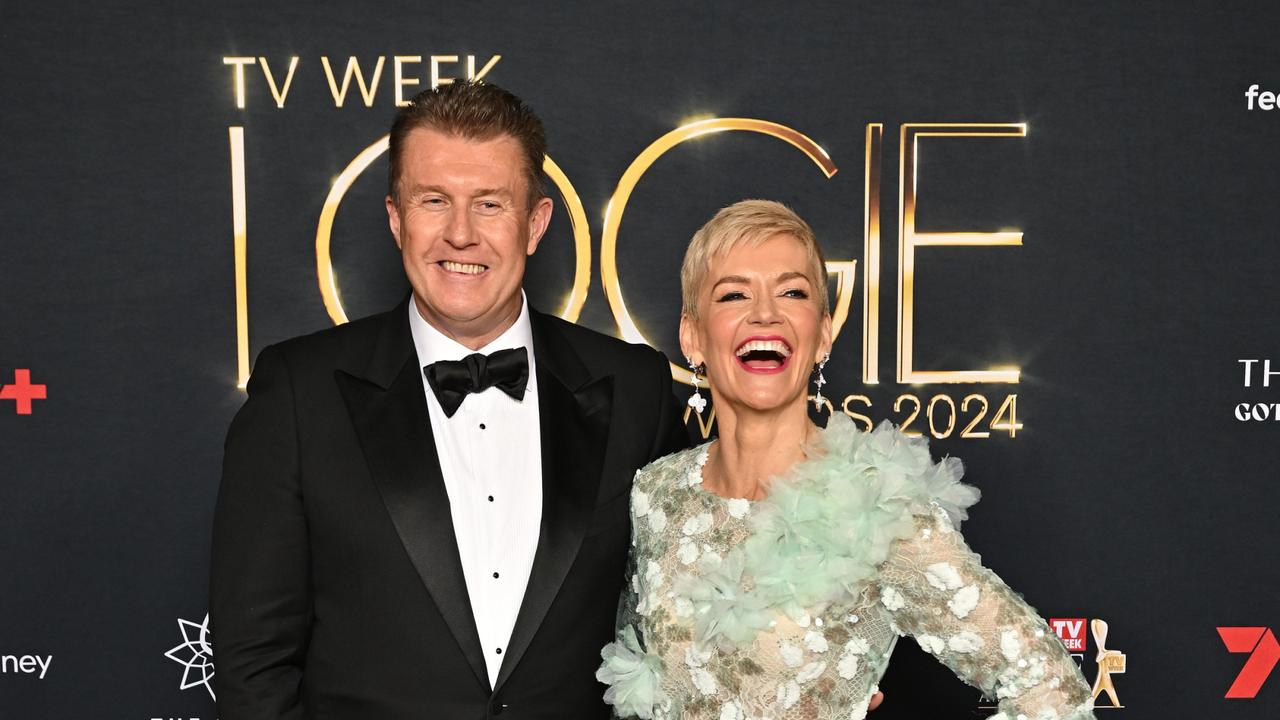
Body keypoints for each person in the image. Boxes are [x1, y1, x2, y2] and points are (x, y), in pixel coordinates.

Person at [210, 81, 689, 719]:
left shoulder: (636, 389)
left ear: (536, 223)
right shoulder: (300, 392)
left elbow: (689, 615)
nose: (460, 234)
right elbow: (254, 662)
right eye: (434, 200)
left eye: (490, 204)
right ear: (395, 218)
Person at [597, 200, 1095, 720]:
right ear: (692, 336)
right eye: (734, 294)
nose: (765, 312)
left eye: (792, 292)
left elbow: (1052, 690)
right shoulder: (657, 495)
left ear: (823, 334)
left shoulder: (877, 505)